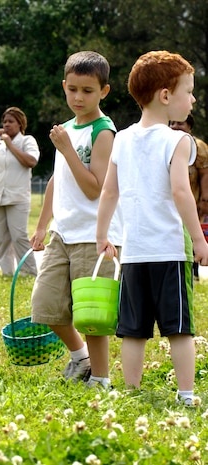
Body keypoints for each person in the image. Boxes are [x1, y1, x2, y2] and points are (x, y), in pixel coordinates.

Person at [96, 51, 208, 406]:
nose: (192, 99)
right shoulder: (179, 140)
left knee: (133, 330)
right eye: (188, 91)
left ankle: (130, 393)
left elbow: (109, 191)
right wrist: (199, 238)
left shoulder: (122, 139)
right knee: (179, 328)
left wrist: (103, 234)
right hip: (170, 250)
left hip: (134, 252)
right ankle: (186, 395)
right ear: (165, 95)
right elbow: (180, 191)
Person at [29, 51, 122, 389]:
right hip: (63, 233)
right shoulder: (66, 129)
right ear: (64, 87)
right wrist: (42, 226)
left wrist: (68, 149)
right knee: (45, 305)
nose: (78, 97)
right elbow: (57, 180)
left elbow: (95, 189)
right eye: (72, 90)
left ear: (104, 92)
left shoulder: (103, 131)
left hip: (95, 235)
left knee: (90, 315)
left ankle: (100, 379)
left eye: (88, 90)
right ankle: (79, 356)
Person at [0, 107, 39, 277]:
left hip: (17, 197)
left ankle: (29, 272)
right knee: (1, 239)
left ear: (20, 124)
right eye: (4, 122)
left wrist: (10, 144)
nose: (6, 125)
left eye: (10, 122)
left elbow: (31, 161)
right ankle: (7, 273)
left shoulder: (27, 141)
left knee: (19, 236)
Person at [169, 114, 208, 280]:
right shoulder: (166, 142)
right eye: (172, 123)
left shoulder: (199, 147)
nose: (175, 127)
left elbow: (205, 174)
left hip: (192, 200)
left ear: (189, 126)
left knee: (192, 236)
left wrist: (205, 200)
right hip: (170, 203)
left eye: (180, 123)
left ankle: (194, 272)